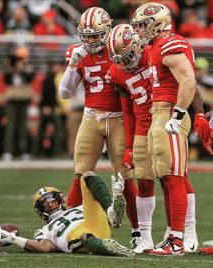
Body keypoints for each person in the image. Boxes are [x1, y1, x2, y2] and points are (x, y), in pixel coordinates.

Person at [59, 7, 139, 240]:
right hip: (91, 116)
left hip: (119, 118)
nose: (91, 40)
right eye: (87, 35)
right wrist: (73, 64)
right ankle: (66, 228)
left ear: (106, 31)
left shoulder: (120, 47)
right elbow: (65, 93)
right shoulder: (77, 52)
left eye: (95, 35)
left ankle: (137, 231)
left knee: (125, 176)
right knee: (80, 172)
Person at [131, 2, 198, 256]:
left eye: (142, 25)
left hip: (169, 111)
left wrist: (179, 114)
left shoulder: (169, 44)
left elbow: (189, 80)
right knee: (166, 177)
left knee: (173, 177)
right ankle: (173, 235)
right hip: (161, 111)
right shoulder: (156, 46)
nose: (139, 30)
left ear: (158, 23)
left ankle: (178, 240)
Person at [0, 171, 134, 257]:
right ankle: (108, 247)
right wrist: (13, 239)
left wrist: (108, 214)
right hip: (82, 237)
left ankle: (111, 210)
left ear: (60, 199)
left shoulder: (79, 208)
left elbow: (101, 221)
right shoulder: (45, 230)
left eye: (51, 198)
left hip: (95, 225)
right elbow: (43, 247)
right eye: (44, 203)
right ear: (41, 211)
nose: (49, 203)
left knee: (87, 175)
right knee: (83, 234)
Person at [107, 24, 155, 253]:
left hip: (167, 121)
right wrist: (128, 146)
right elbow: (128, 112)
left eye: (127, 57)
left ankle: (183, 234)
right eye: (119, 59)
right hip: (143, 125)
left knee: (173, 176)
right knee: (145, 179)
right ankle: (144, 235)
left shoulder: (154, 52)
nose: (125, 64)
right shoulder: (117, 72)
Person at [2, 45, 36, 161]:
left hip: (24, 100)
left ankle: (24, 151)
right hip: (12, 100)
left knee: (23, 126)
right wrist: (10, 65)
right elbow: (6, 79)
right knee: (10, 126)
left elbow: (29, 78)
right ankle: (8, 151)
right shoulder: (10, 68)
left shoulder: (29, 67)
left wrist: (22, 67)